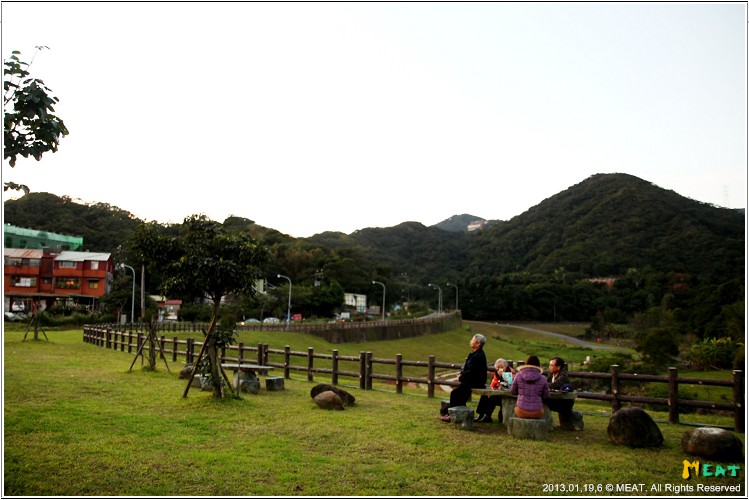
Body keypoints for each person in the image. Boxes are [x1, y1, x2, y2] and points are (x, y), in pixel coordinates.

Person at [439, 334, 488, 422]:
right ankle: (457, 414)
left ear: (478, 344)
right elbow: (468, 369)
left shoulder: (477, 356)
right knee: (458, 394)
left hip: (475, 382)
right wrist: (462, 375)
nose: (470, 341)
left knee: (455, 393)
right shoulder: (476, 353)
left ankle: (452, 415)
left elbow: (471, 372)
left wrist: (461, 377)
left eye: (472, 340)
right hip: (472, 381)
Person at [475, 358, 515, 423]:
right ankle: (480, 414)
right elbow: (493, 383)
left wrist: (501, 376)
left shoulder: (510, 373)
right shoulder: (497, 373)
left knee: (492, 397)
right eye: (498, 367)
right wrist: (492, 387)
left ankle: (487, 416)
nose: (500, 369)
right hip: (499, 393)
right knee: (485, 395)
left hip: (506, 396)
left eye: (502, 367)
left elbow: (508, 385)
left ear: (506, 367)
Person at [545, 356, 575, 421]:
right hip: (554, 399)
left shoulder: (563, 376)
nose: (549, 367)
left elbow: (552, 385)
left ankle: (547, 422)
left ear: (558, 367)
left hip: (564, 402)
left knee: (543, 402)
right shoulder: (551, 374)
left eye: (551, 365)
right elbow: (546, 384)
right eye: (549, 365)